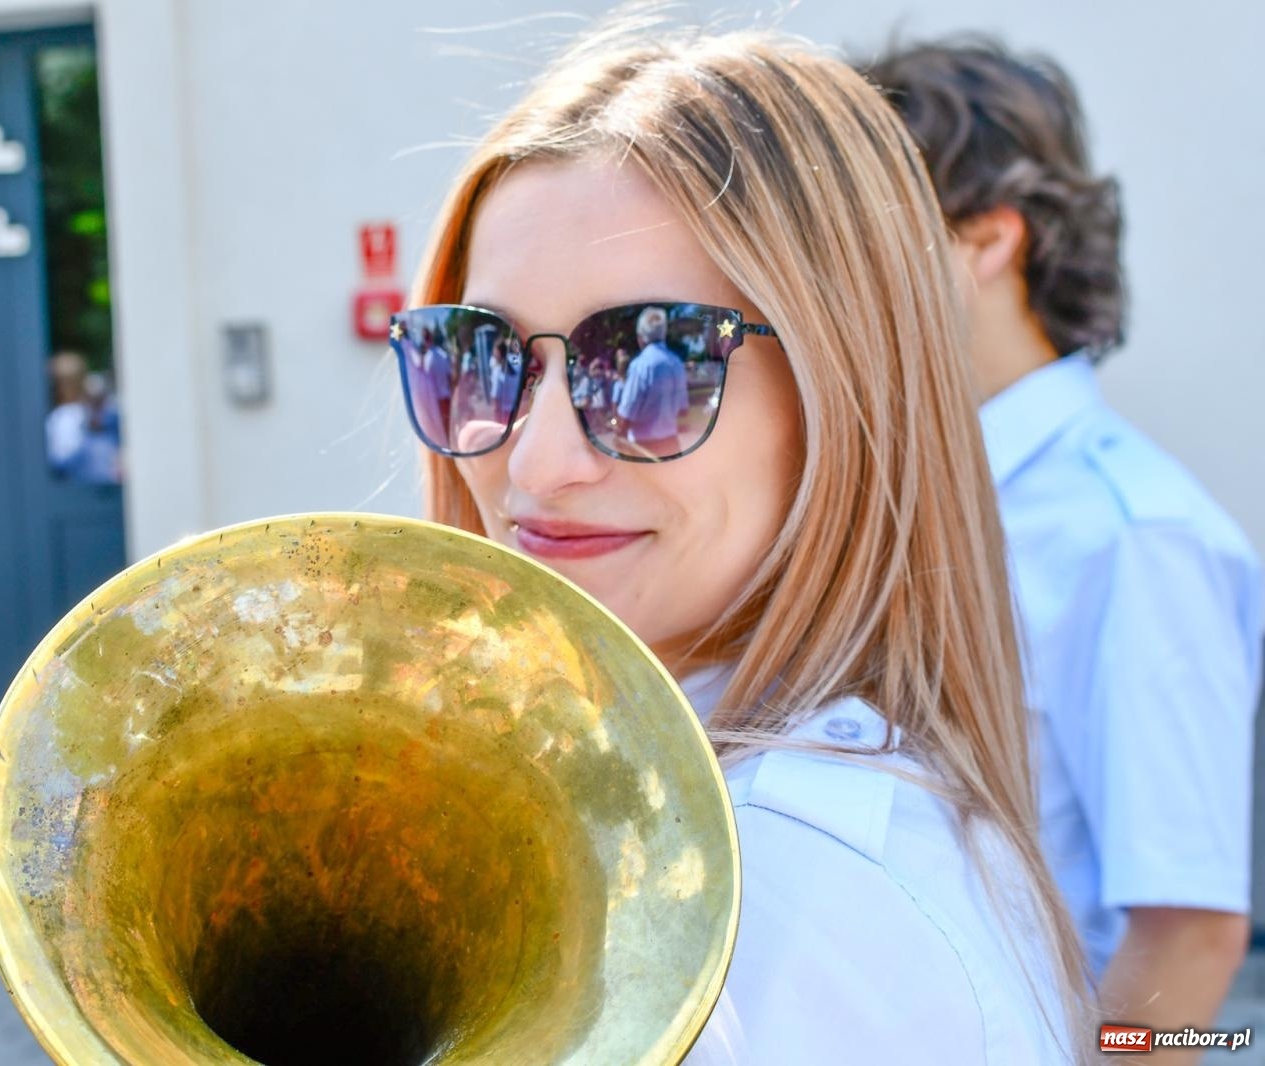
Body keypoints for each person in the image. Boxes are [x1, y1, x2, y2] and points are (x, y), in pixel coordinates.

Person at [391, 23, 1089, 1064]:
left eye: (650, 365)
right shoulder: (735, 841)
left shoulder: (769, 905)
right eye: (479, 354)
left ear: (845, 392)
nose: (533, 464)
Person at [861, 38, 1263, 1044]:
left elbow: (1189, 932)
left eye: (867, 230)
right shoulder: (901, 494)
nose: (831, 274)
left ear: (988, 241)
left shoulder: (1135, 538)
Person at [614, 305, 688, 456]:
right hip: (672, 443)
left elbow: (626, 415)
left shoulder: (640, 365)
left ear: (640, 337)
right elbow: (683, 410)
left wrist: (618, 430)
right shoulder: (676, 362)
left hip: (644, 446)